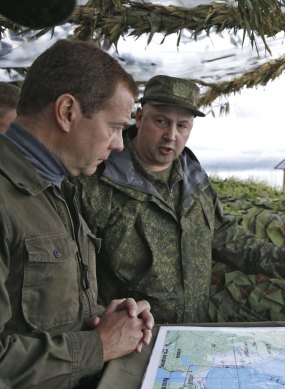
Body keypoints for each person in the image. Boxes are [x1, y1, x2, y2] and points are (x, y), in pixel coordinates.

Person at [75, 75, 285, 323]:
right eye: (161, 121)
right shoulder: (99, 180)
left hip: (189, 335)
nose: (171, 135)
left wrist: (281, 259)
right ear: (140, 118)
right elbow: (75, 274)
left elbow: (221, 232)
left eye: (182, 125)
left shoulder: (192, 175)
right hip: (131, 342)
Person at [0, 39, 154, 389]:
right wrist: (99, 345)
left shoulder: (56, 190)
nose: (118, 144)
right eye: (114, 127)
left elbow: (40, 314)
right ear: (67, 111)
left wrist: (102, 319)